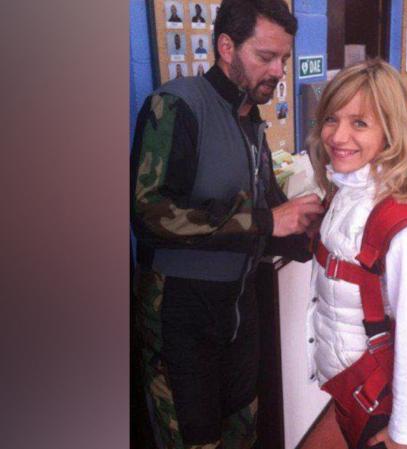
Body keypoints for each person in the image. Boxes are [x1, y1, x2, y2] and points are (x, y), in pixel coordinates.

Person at [130, 1, 323, 449]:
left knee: (243, 430)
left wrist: (312, 234)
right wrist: (266, 221)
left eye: (283, 59)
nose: (277, 71)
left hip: (237, 313)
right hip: (180, 316)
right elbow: (148, 214)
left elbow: (269, 219)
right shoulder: (176, 106)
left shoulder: (252, 122)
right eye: (265, 56)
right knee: (193, 439)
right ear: (226, 47)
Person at [306, 59, 407, 449]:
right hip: (347, 384)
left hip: (375, 399)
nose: (338, 135)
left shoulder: (398, 223)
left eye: (359, 123)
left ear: (390, 132)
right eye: (331, 119)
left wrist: (405, 434)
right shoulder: (345, 190)